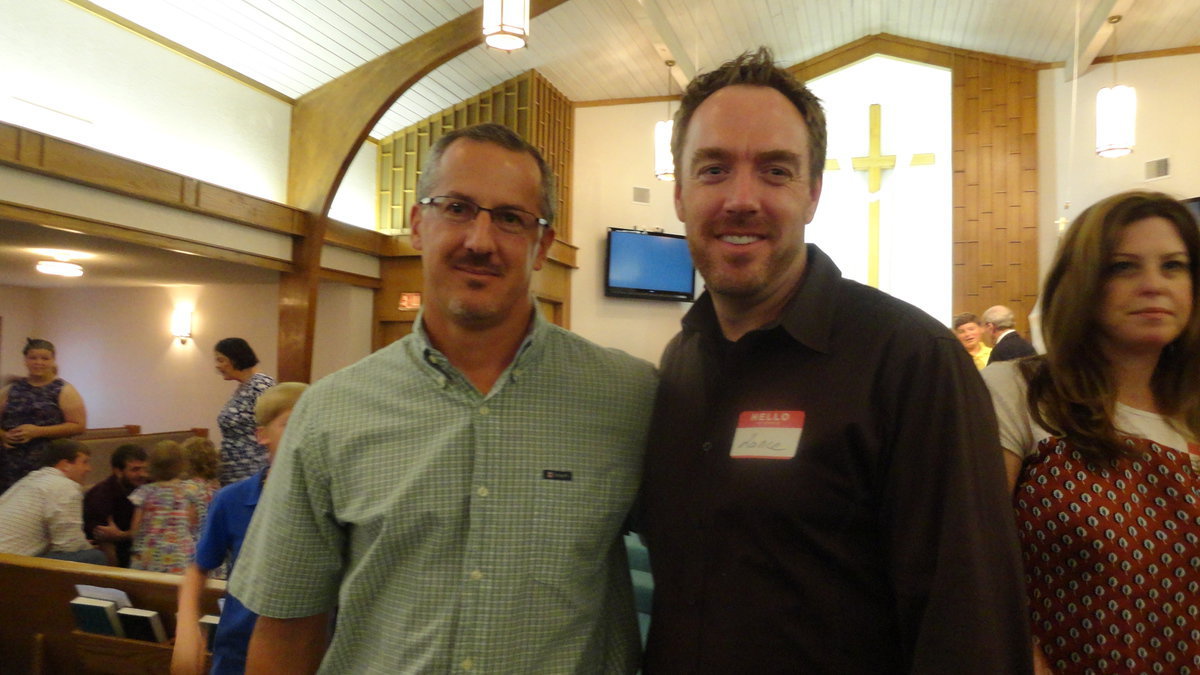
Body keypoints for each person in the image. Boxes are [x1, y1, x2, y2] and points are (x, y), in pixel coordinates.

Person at [637, 48, 1032, 673]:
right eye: (713, 169)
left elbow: (970, 626)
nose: (742, 198)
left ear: (813, 193)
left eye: (775, 171)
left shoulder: (911, 363)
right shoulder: (682, 362)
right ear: (680, 193)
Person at [231, 123, 657, 673]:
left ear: (542, 246)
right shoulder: (329, 413)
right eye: (456, 207)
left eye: (510, 218)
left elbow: (703, 583)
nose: (480, 240)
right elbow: (288, 629)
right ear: (416, 223)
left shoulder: (628, 399)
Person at [982, 190, 1200, 673]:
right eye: (1124, 267)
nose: (1153, 285)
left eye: (1174, 266)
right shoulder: (1020, 391)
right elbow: (974, 563)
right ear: (1080, 282)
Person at [172, 382, 307, 675]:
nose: (303, 434)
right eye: (290, 424)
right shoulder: (232, 499)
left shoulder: (327, 502)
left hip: (306, 649)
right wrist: (186, 627)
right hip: (238, 648)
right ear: (262, 435)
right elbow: (199, 567)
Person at [0, 338, 87, 494]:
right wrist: (4, 435)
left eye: (45, 358)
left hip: (46, 461)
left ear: (53, 360)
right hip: (8, 462)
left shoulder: (63, 390)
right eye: (33, 358)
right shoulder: (12, 389)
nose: (38, 362)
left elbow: (79, 425)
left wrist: (38, 431)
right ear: (25, 360)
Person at [0, 439, 105, 564]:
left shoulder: (30, 480)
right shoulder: (64, 486)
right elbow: (68, 546)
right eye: (84, 462)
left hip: (7, 556)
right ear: (65, 464)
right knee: (94, 557)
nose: (89, 469)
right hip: (8, 565)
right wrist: (85, 546)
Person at [128, 441, 207, 574]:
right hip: (180, 556)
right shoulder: (190, 490)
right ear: (183, 465)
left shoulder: (144, 492)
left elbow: (135, 528)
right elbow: (193, 523)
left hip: (149, 555)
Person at [213, 338, 276, 486]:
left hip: (251, 473)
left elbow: (272, 428)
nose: (217, 366)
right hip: (236, 473)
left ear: (236, 358)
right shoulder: (245, 386)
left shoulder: (261, 385)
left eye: (221, 360)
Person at [84, 443, 148, 567]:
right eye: (135, 469)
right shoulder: (101, 495)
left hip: (147, 545)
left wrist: (123, 535)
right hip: (119, 552)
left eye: (144, 469)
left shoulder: (150, 486)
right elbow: (102, 538)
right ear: (118, 471)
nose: (142, 474)